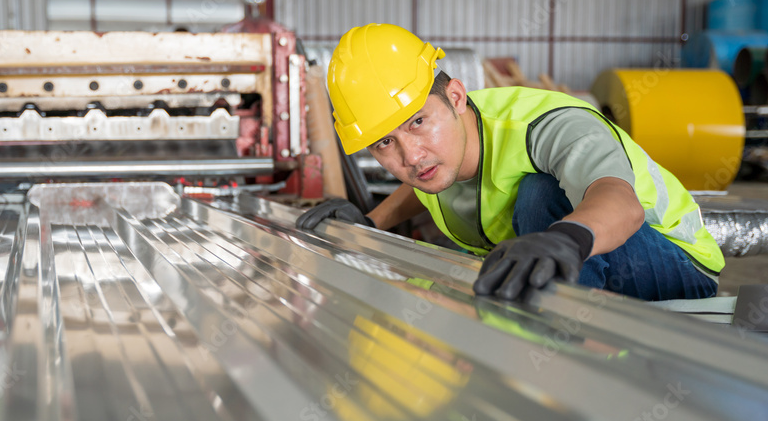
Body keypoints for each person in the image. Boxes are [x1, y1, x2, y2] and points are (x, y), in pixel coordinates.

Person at [296, 23, 725, 302]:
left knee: (539, 195)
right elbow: (421, 187)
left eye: (418, 122)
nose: (410, 156)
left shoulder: (545, 124)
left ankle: (565, 358)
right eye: (384, 142)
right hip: (582, 251)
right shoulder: (441, 151)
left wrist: (566, 239)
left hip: (676, 266)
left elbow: (619, 201)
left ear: (456, 97)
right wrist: (368, 224)